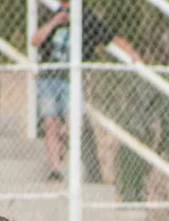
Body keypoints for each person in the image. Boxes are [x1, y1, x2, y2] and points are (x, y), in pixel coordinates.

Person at [31, 0, 141, 181]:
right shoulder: (51, 12)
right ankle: (56, 169)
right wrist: (55, 22)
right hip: (48, 78)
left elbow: (111, 37)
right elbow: (35, 41)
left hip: (72, 80)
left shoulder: (86, 17)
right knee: (50, 123)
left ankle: (71, 162)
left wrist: (132, 52)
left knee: (72, 122)